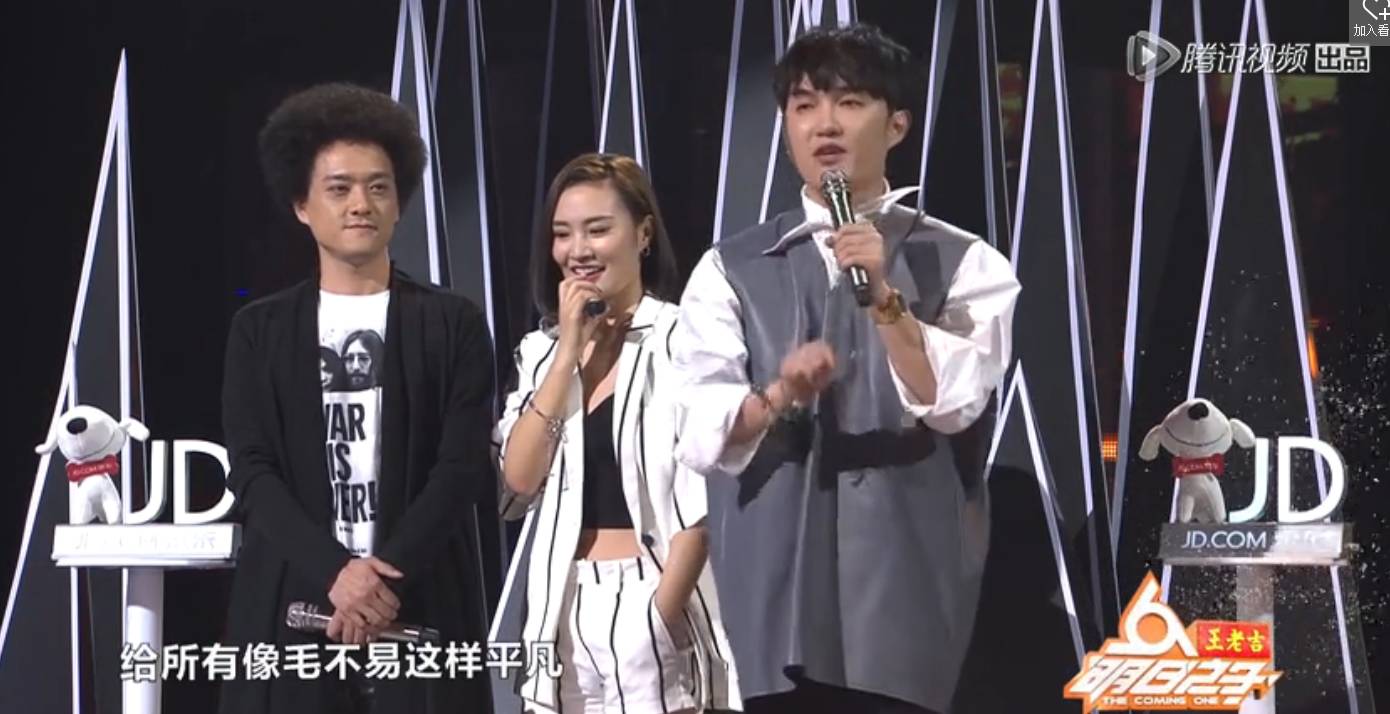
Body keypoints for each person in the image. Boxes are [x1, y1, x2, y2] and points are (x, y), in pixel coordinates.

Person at [672, 24, 1020, 714]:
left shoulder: (966, 262)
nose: (824, 124)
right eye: (804, 105)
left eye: (849, 102)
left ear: (897, 125)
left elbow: (953, 403)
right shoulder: (728, 268)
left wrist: (886, 299)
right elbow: (699, 427)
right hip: (774, 590)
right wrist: (779, 392)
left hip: (905, 586)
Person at [219, 83, 495, 714]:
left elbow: (460, 468)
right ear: (301, 205)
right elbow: (253, 469)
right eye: (338, 188)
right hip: (292, 602)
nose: (360, 204)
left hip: (419, 599)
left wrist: (380, 578)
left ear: (399, 203)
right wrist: (335, 573)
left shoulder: (451, 322)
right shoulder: (259, 330)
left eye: (378, 187)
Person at [493, 153, 740, 713]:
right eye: (562, 234)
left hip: (653, 593)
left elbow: (704, 500)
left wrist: (659, 616)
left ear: (644, 234)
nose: (577, 250)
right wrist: (566, 356)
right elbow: (518, 484)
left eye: (597, 229)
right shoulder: (540, 353)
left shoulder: (683, 338)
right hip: (559, 601)